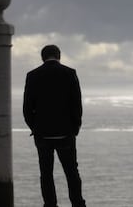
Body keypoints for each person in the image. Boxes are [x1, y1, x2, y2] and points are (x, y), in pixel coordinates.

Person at [23, 45, 86, 207]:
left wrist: (35, 128)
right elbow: (76, 105)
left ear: (42, 57)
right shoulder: (70, 73)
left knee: (46, 174)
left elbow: (27, 108)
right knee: (72, 172)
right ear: (59, 56)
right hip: (66, 133)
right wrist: (75, 128)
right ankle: (78, 204)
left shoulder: (32, 75)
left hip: (43, 134)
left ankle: (50, 204)